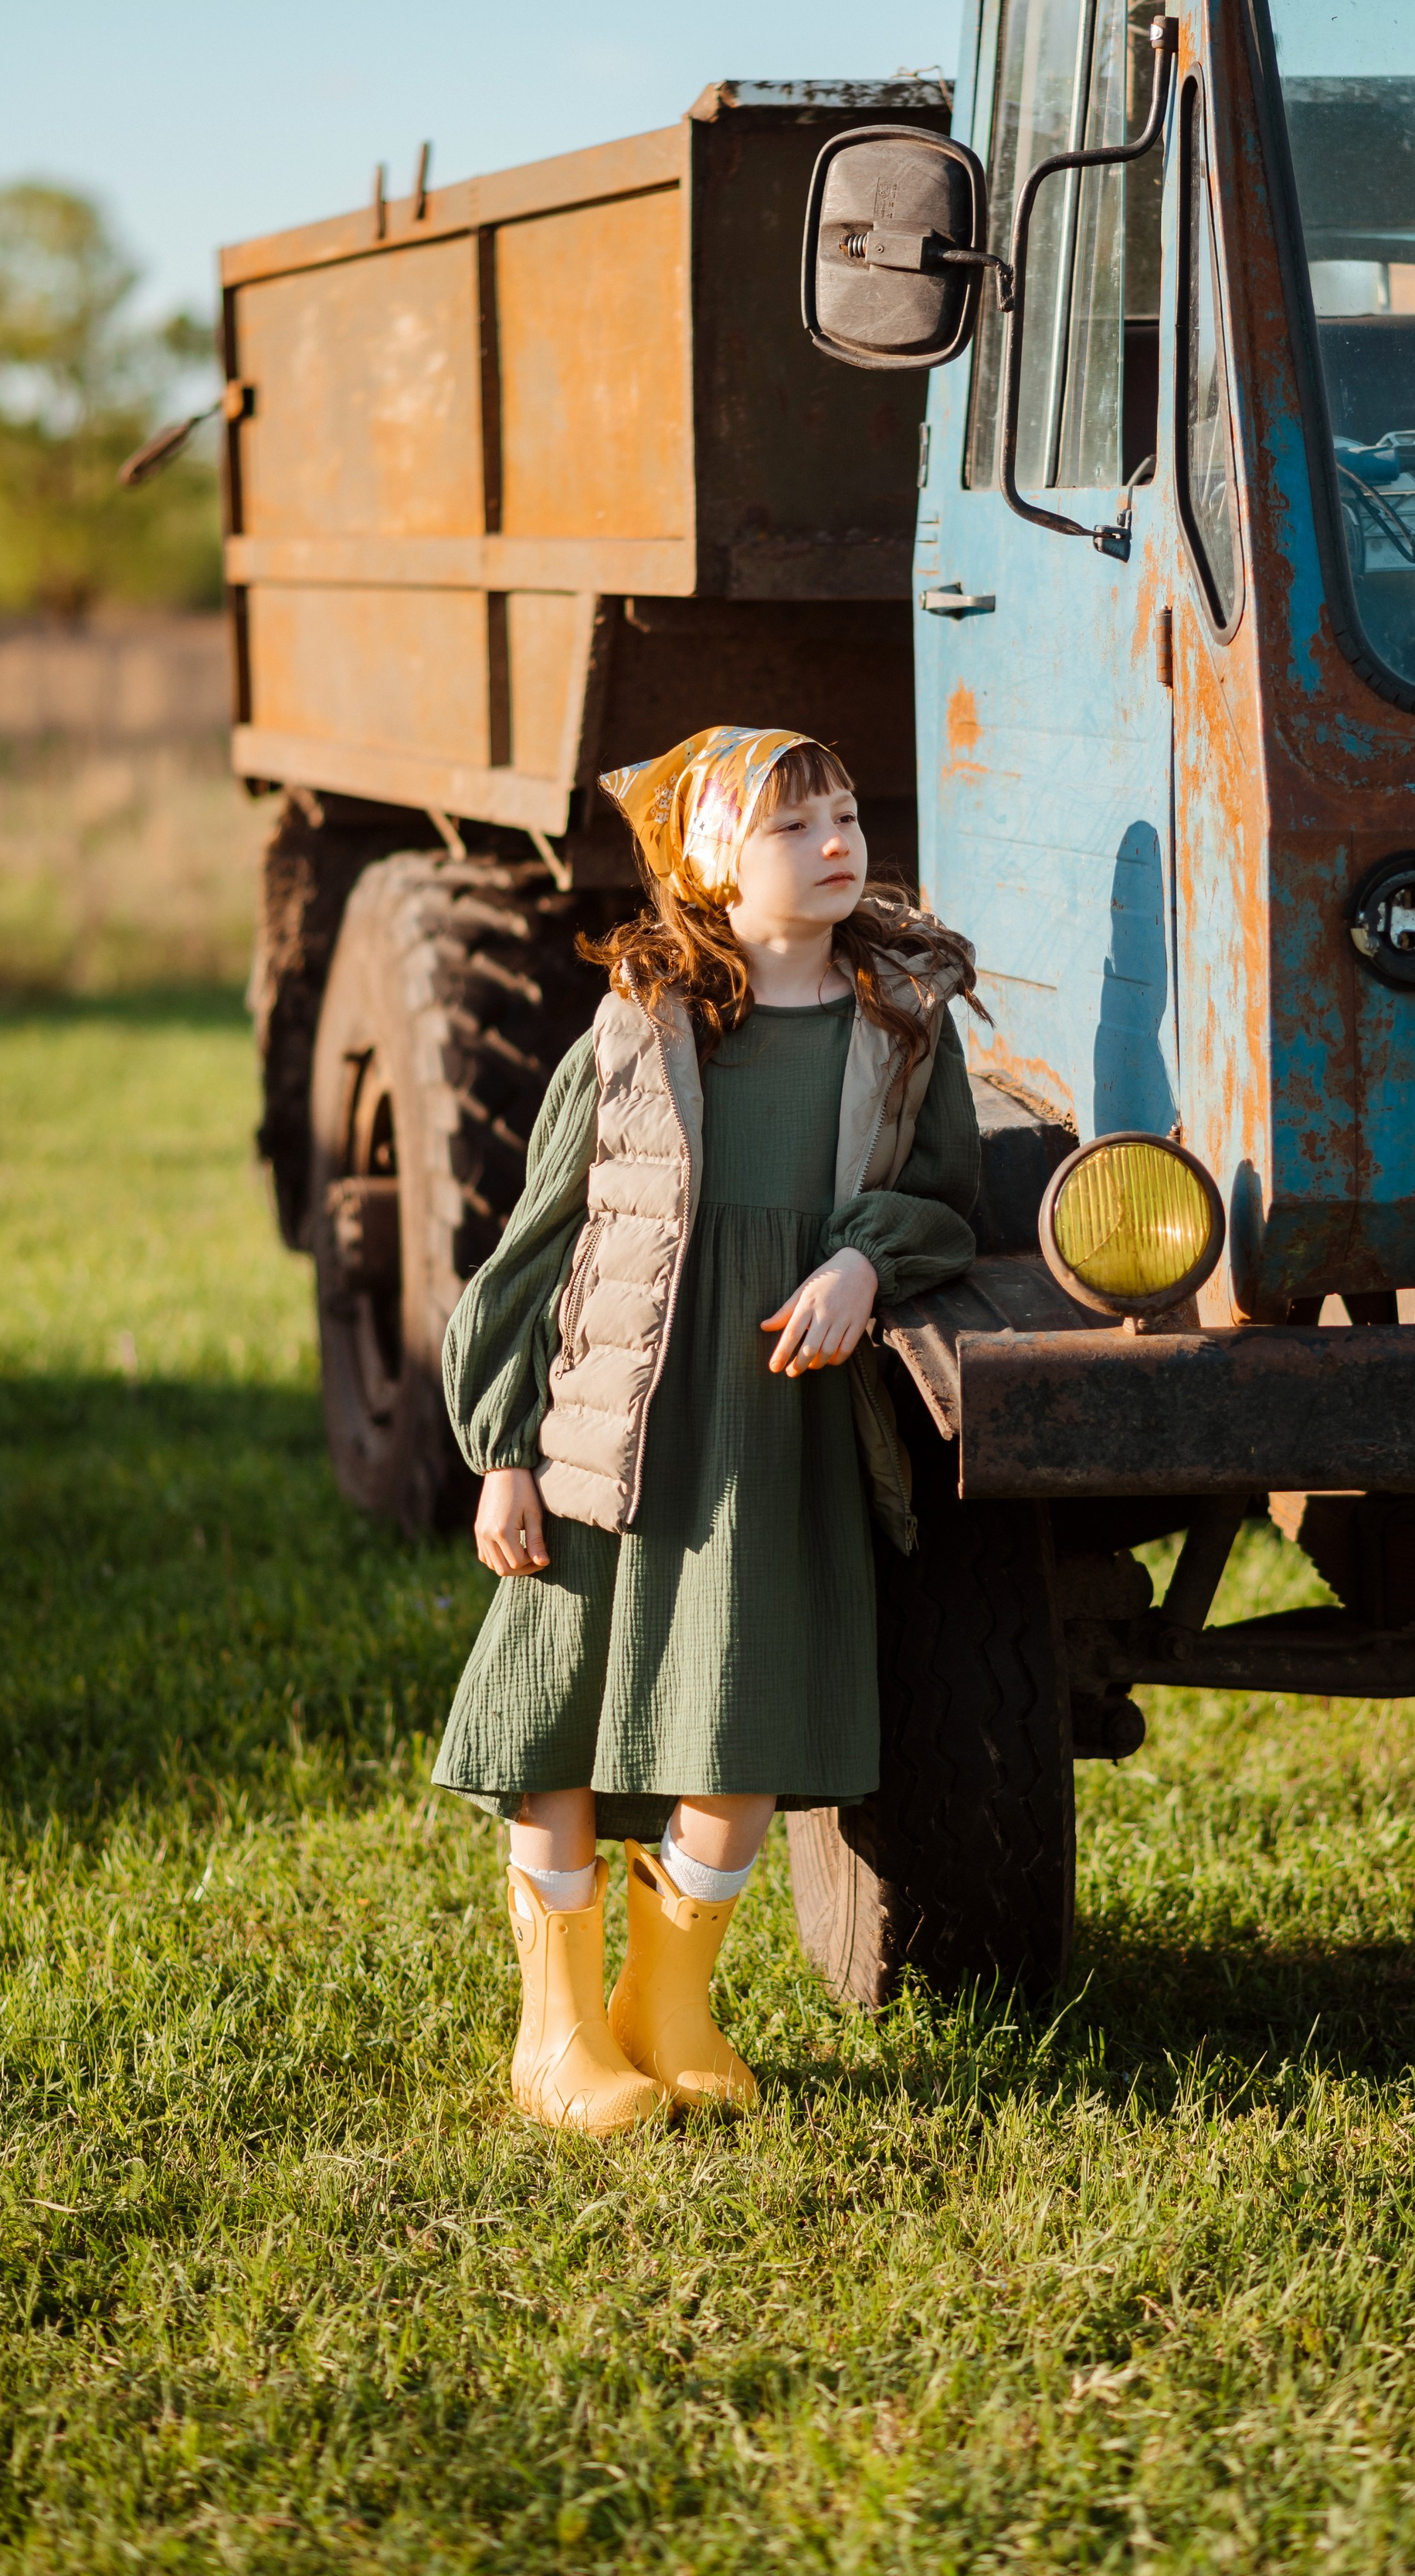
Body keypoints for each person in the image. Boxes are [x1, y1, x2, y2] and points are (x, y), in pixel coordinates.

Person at [433, 725, 982, 2133]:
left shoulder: (904, 1022)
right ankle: (555, 2031)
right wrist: (502, 1447)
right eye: (793, 827)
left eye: (848, 813)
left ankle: (670, 2007)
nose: (837, 842)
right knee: (557, 1706)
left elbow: (945, 1197)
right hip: (619, 1424)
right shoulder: (641, 1023)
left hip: (778, 1426)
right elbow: (538, 1239)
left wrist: (864, 1262)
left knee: (741, 1712)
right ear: (712, 868)